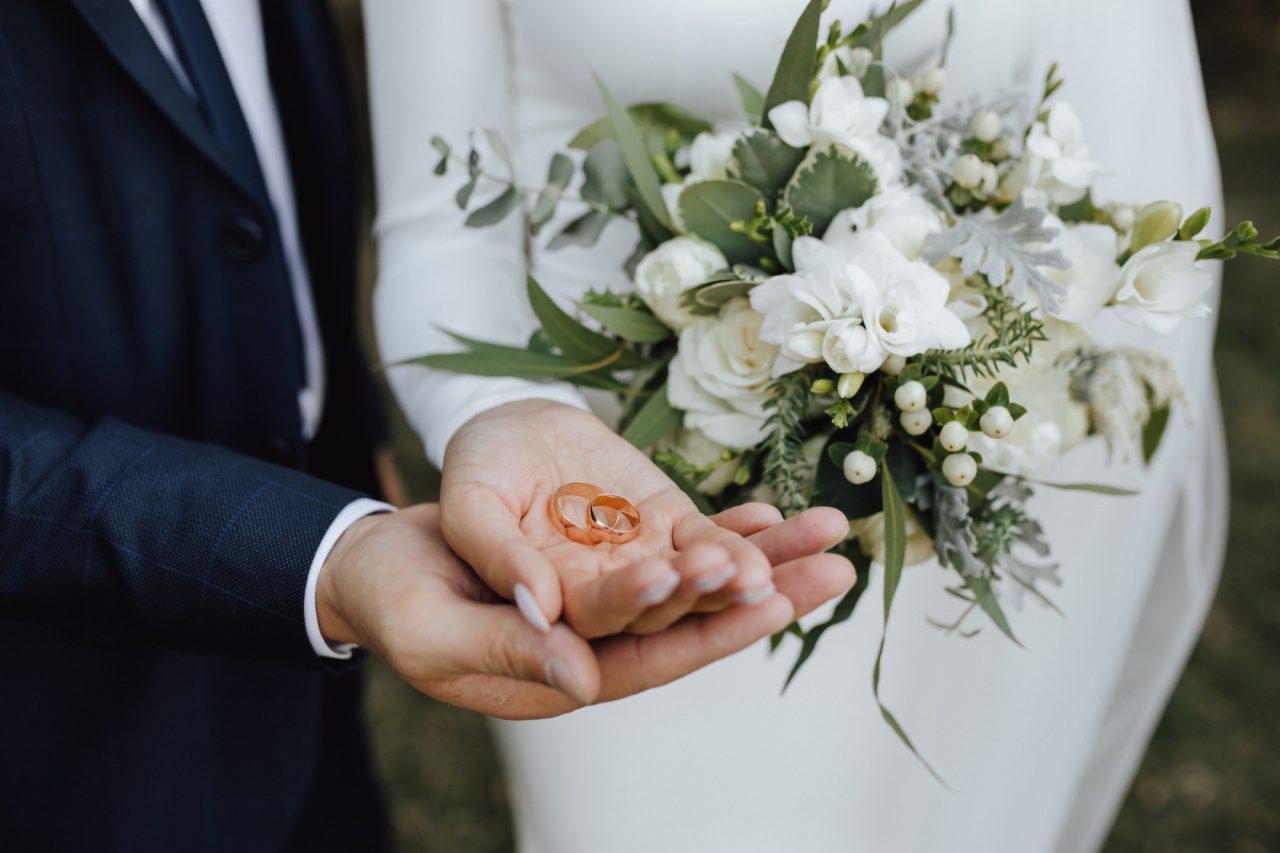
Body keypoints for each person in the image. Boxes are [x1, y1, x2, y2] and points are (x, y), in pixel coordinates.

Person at [364, 0, 1226, 850]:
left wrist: (968, 405)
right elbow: (441, 231)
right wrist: (499, 421)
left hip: (914, 495)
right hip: (593, 520)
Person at [0, 1, 856, 849]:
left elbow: (256, 152)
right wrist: (321, 551)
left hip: (310, 669)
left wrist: (342, 426)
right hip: (63, 712)